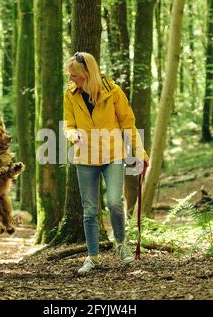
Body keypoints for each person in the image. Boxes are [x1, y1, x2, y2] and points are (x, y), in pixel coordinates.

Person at [63, 52, 149, 274]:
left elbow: (128, 124)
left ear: (88, 74)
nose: (71, 79)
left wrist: (140, 152)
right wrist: (72, 136)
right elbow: (69, 124)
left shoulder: (113, 92)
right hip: (85, 157)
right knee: (90, 210)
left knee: (114, 202)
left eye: (75, 76)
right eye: (70, 76)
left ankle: (121, 245)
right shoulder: (70, 94)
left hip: (112, 155)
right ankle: (93, 257)